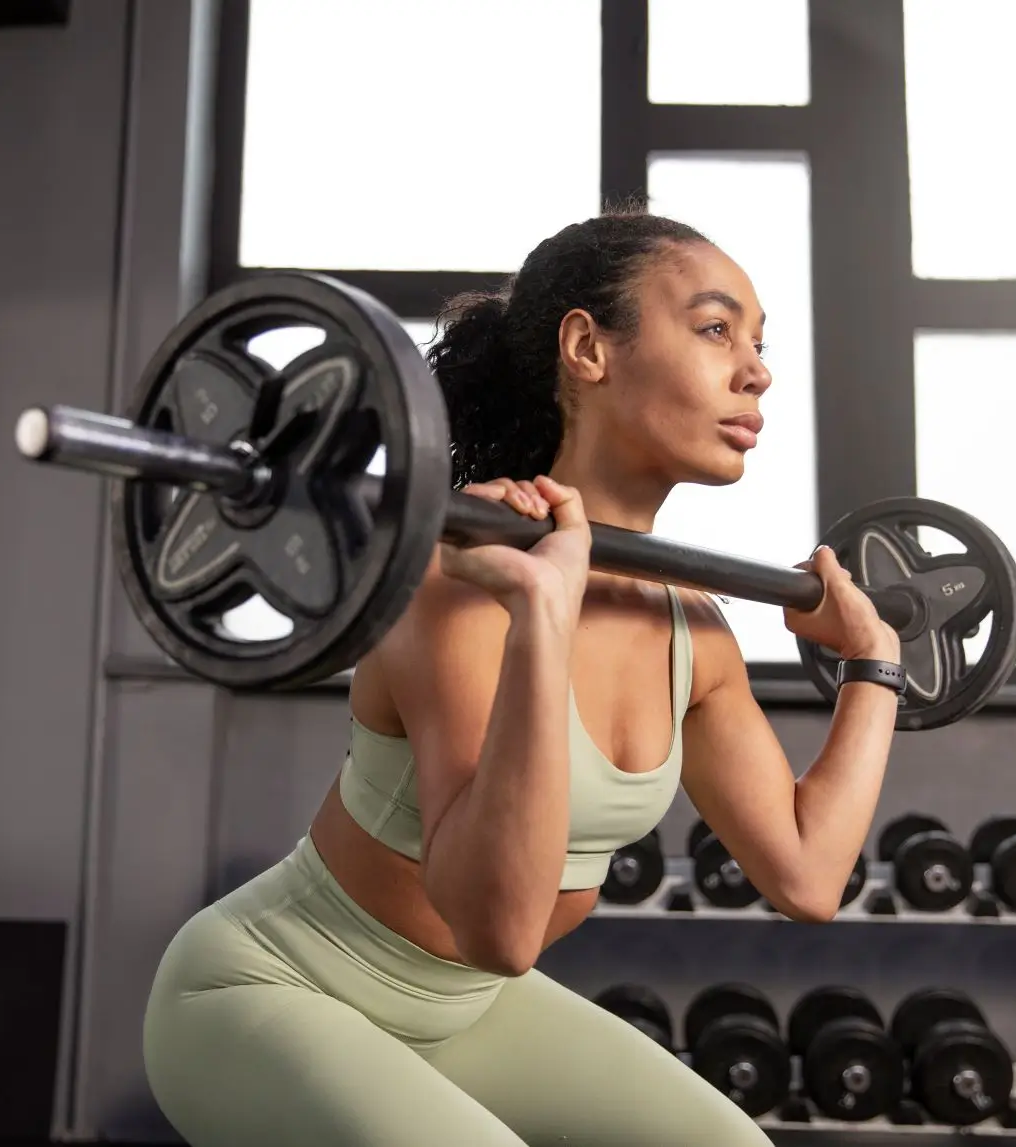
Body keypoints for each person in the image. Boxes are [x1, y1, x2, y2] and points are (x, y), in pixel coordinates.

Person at [142, 208, 905, 1146]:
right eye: (715, 329)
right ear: (587, 347)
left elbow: (807, 875)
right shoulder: (452, 580)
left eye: (759, 342)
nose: (758, 371)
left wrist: (874, 665)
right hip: (271, 987)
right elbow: (499, 927)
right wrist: (542, 615)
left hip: (465, 1010)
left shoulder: (693, 630)